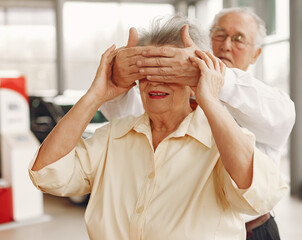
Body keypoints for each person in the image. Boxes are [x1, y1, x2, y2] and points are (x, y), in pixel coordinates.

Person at [29, 16, 287, 239]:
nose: (154, 82)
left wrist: (208, 96)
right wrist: (95, 95)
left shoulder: (219, 142)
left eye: (169, 72)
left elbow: (259, 193)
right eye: (146, 72)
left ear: (193, 81)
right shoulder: (113, 137)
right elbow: (46, 172)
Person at [100, 8, 295, 240]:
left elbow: (282, 118)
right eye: (219, 35)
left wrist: (212, 75)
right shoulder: (171, 93)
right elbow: (122, 114)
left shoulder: (264, 101)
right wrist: (119, 77)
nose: (226, 45)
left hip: (254, 230)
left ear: (256, 54)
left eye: (239, 39)